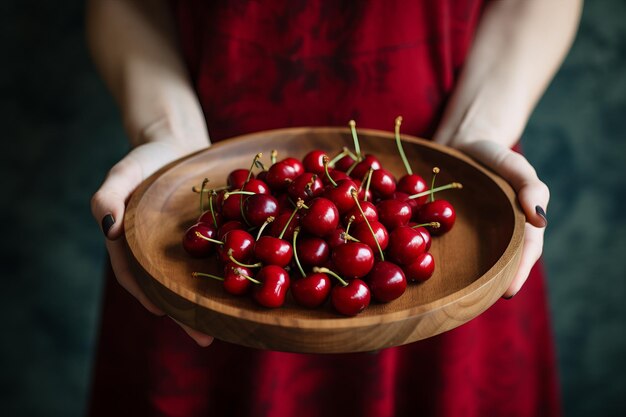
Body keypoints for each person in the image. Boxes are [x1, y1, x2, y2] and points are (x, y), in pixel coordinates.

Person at [87, 0, 582, 416]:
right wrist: (165, 130)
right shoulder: (236, 220)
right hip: (196, 187)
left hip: (457, 229)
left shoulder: (412, 218)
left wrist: (482, 128)